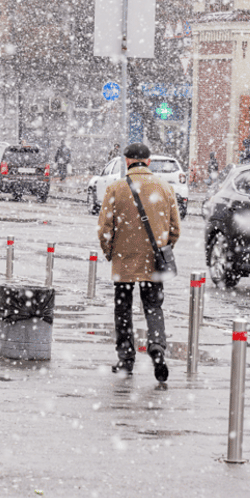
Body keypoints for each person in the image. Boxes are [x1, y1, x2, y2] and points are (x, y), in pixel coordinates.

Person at [97, 142, 181, 383]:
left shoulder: (115, 188)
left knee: (122, 309)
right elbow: (175, 228)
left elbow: (104, 229)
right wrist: (164, 247)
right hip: (153, 262)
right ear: (149, 161)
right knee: (153, 307)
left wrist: (110, 252)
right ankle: (157, 346)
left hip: (123, 261)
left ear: (126, 161)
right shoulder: (165, 187)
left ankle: (125, 359)